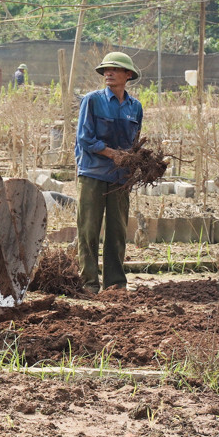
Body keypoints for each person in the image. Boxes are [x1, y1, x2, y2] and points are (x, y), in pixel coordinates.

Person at [75, 51, 143, 294]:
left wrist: (139, 162)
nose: (108, 73)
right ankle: (89, 285)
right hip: (93, 174)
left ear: (128, 75)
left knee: (117, 233)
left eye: (114, 69)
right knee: (88, 231)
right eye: (105, 70)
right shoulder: (92, 101)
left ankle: (115, 285)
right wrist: (112, 154)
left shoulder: (135, 108)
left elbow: (135, 144)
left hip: (120, 179)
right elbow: (85, 138)